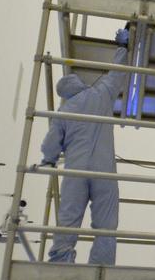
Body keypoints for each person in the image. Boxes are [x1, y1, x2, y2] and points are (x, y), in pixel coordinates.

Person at [41, 27, 130, 265]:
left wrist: (48, 158)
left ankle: (60, 262)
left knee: (68, 219)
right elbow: (117, 73)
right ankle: (101, 267)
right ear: (78, 84)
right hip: (103, 170)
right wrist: (122, 47)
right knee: (106, 223)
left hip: (76, 170)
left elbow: (51, 143)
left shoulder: (64, 110)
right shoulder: (99, 94)